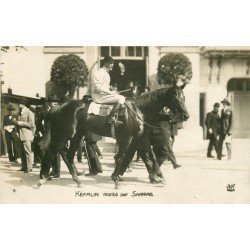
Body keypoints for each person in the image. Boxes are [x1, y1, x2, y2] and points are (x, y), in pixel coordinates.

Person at [92, 56, 126, 125]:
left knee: (119, 96)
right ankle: (111, 117)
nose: (113, 65)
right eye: (111, 63)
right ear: (105, 63)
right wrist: (109, 92)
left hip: (103, 95)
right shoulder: (99, 72)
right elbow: (97, 87)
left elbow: (105, 88)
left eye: (112, 63)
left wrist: (113, 91)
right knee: (122, 98)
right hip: (99, 96)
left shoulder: (106, 73)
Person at [14, 98, 35, 173]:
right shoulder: (18, 113)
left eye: (19, 103)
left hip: (27, 135)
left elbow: (32, 125)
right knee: (22, 152)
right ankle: (24, 166)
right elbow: (17, 123)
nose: (18, 105)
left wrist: (21, 123)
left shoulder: (29, 113)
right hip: (20, 135)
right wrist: (16, 130)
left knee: (28, 152)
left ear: (23, 104)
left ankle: (29, 167)